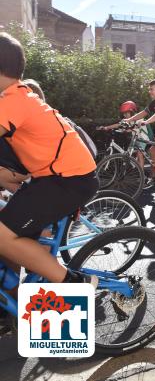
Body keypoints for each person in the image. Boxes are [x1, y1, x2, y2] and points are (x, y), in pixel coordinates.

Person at [0, 32, 98, 286]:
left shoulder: (13, 102)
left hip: (68, 181)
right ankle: (13, 311)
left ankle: (77, 282)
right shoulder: (16, 96)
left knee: (2, 236)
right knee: (11, 244)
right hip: (56, 178)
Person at [99, 101, 153, 169]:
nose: (125, 115)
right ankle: (134, 166)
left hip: (142, 138)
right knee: (128, 152)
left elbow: (136, 127)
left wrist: (128, 130)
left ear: (132, 112)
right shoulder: (127, 119)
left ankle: (142, 174)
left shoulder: (139, 118)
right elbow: (118, 124)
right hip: (135, 139)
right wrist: (106, 127)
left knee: (140, 154)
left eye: (127, 113)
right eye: (124, 113)